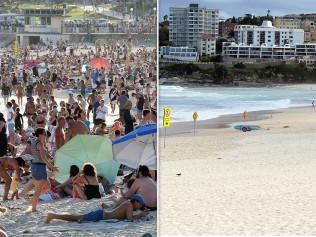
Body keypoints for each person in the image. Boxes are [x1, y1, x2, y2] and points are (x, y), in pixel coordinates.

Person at [46, 194, 149, 223]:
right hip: (100, 215)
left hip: (102, 215)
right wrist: (141, 215)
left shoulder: (128, 203)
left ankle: (53, 215)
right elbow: (129, 219)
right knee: (76, 218)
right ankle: (53, 215)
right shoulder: (129, 205)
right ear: (136, 202)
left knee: (76, 217)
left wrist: (140, 213)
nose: (140, 207)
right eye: (140, 205)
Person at [30, 128, 59, 211]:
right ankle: (33, 208)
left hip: (38, 166)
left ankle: (33, 200)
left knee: (47, 186)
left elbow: (43, 155)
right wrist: (52, 167)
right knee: (39, 188)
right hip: (39, 166)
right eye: (44, 134)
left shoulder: (39, 142)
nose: (45, 135)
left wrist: (50, 157)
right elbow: (43, 158)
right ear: (39, 135)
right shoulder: (39, 143)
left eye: (46, 134)